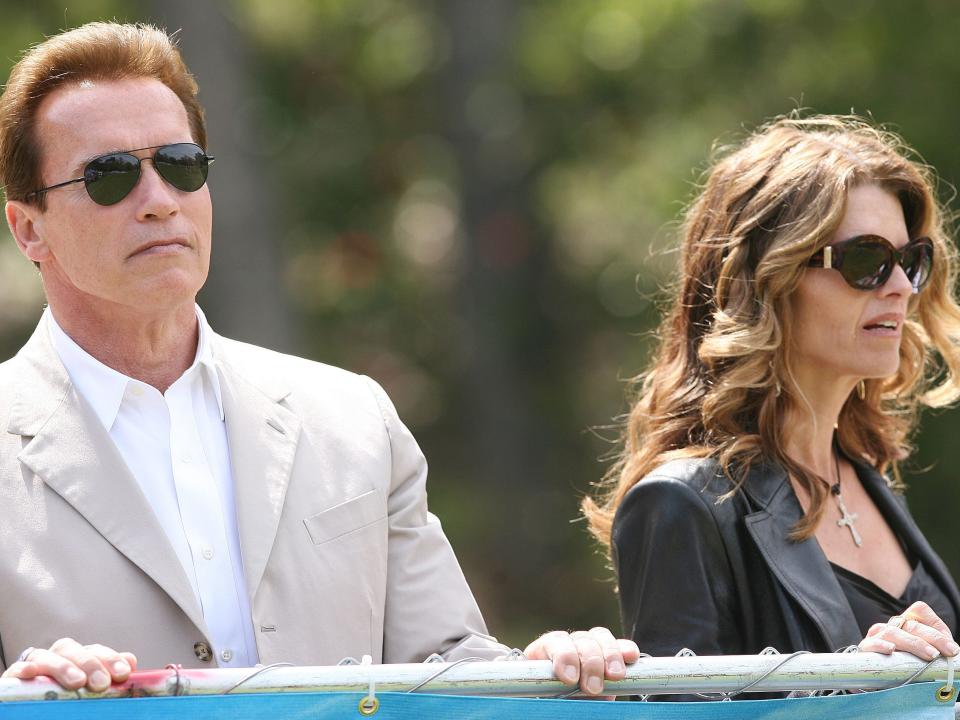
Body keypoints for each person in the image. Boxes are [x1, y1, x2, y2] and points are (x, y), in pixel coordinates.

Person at [0, 22, 637, 696]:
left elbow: (448, 667)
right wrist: (20, 694)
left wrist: (548, 668)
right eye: (110, 175)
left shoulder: (353, 417)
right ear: (28, 228)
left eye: (181, 165)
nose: (158, 202)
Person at [582, 115, 960, 670]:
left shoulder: (864, 473)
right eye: (867, 261)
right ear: (768, 280)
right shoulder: (682, 505)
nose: (901, 287)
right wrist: (851, 690)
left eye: (911, 260)